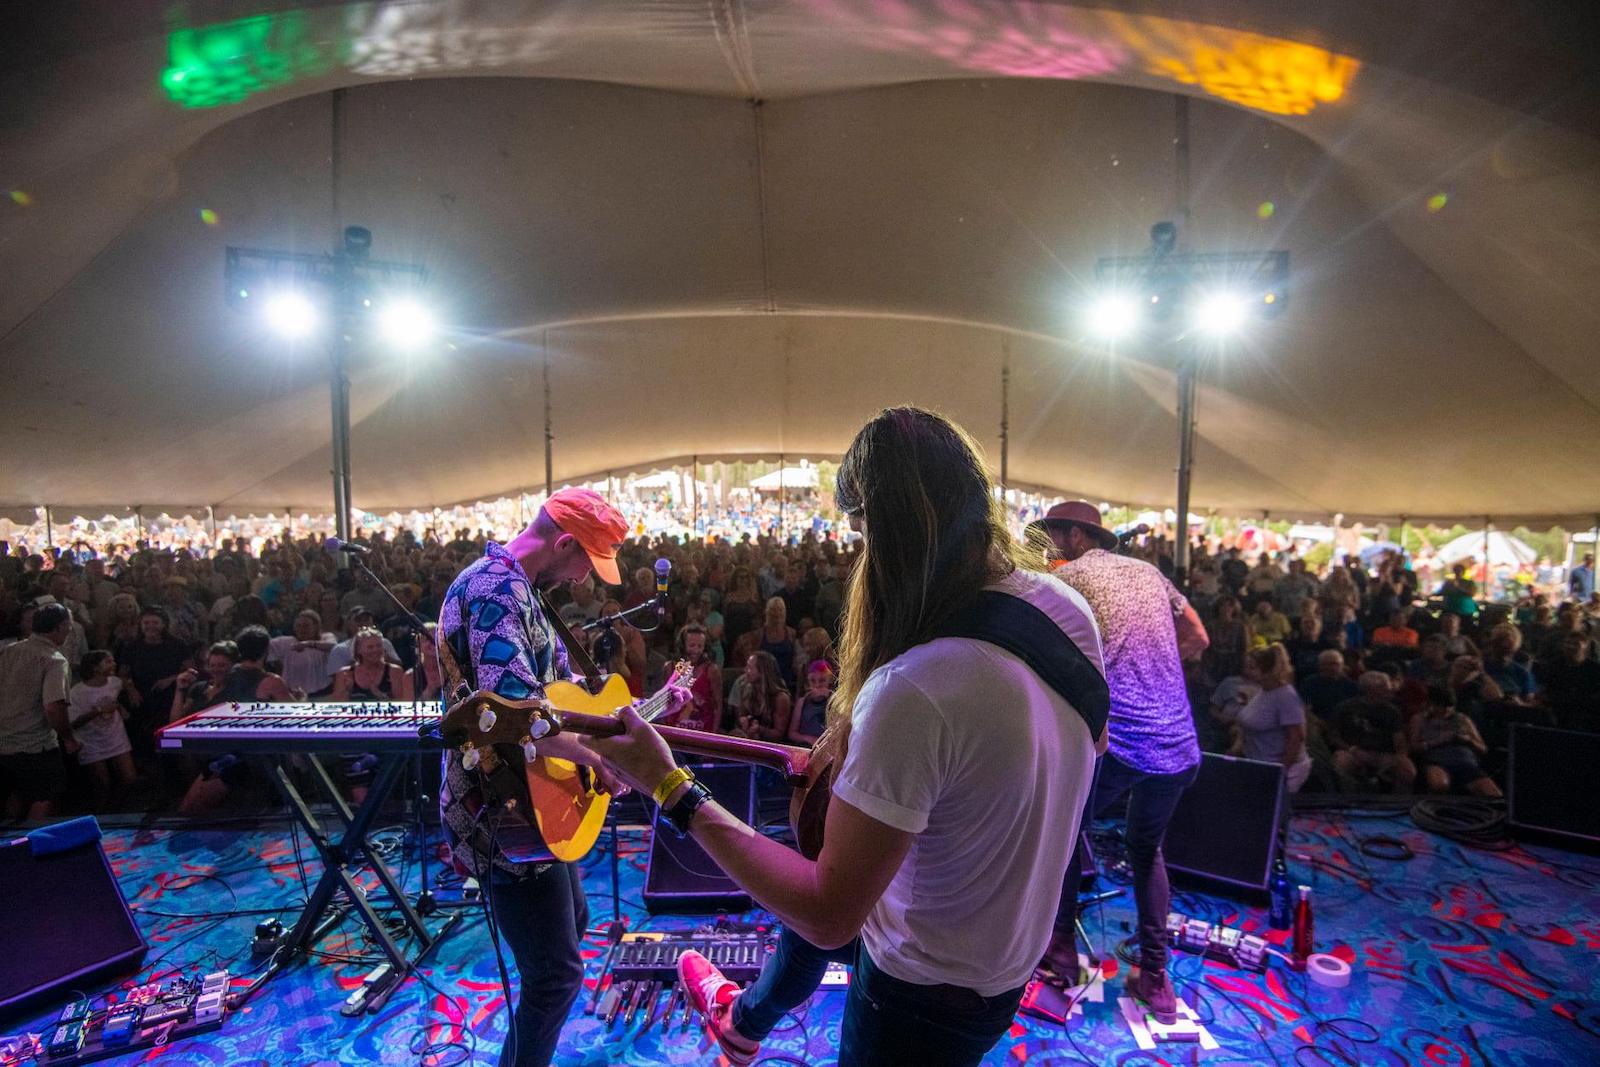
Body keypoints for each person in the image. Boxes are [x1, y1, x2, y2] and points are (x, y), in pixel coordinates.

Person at [587, 408, 1105, 1067]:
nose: (859, 557)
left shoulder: (917, 689)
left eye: (859, 533)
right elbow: (1089, 740)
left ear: (883, 533)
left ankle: (739, 1022)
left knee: (818, 900)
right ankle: (743, 1022)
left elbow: (829, 913)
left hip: (919, 996)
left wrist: (670, 785)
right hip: (1007, 958)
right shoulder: (1065, 609)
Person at [435, 488, 650, 1067]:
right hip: (499, 807)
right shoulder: (493, 590)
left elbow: (560, 699)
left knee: (573, 922)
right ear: (562, 543)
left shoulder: (522, 589)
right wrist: (596, 760)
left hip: (528, 795)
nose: (585, 579)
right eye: (586, 562)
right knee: (555, 978)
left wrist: (626, 721)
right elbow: (518, 715)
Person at [1029, 498, 1206, 1019]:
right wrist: (1159, 670)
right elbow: (1198, 636)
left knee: (1062, 835)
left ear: (1076, 537)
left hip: (1122, 740)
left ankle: (1059, 950)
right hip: (1175, 739)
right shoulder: (1150, 573)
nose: (1046, 549)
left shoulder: (1068, 579)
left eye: (1051, 536)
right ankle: (1155, 977)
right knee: (1146, 849)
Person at [0, 603, 75, 820]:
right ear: (60, 627)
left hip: (3, 741)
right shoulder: (53, 660)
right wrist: (68, 738)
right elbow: (53, 707)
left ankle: (8, 846)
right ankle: (33, 845)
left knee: (15, 794)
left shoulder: (8, 651)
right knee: (45, 795)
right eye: (68, 627)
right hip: (35, 745)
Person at [1230, 645, 1312, 792]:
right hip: (1257, 764)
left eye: (1252, 667)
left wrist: (1279, 772)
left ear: (1268, 669)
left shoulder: (1285, 696)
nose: (1246, 672)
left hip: (1278, 769)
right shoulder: (1262, 692)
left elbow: (1296, 738)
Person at [1332, 672, 1416, 792]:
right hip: (1353, 751)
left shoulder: (1392, 711)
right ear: (1371, 690)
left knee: (1407, 770)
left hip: (1383, 754)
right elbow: (1333, 736)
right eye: (1385, 689)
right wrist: (1351, 749)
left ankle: (1397, 804)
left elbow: (1399, 740)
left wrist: (1400, 758)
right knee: (1342, 763)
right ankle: (1348, 803)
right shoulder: (1345, 708)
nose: (1390, 691)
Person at [69, 650, 136, 798]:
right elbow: (73, 723)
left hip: (115, 737)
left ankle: (120, 806)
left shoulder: (114, 682)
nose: (114, 664)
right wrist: (99, 711)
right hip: (91, 742)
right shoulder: (77, 692)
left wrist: (130, 693)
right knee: (102, 786)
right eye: (108, 661)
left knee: (130, 778)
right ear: (95, 668)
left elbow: (124, 683)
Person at [1410, 685, 1499, 796]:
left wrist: (1468, 740)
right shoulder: (1420, 719)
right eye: (1442, 706)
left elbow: (1483, 748)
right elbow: (1414, 747)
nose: (1447, 710)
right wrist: (1438, 740)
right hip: (1436, 761)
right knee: (1439, 784)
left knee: (1493, 793)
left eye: (1450, 706)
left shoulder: (1463, 719)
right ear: (1432, 704)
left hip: (1465, 763)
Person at [330, 627, 414, 702]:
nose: (375, 650)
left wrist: (379, 695)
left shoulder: (395, 671)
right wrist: (348, 690)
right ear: (359, 650)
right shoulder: (345, 673)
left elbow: (401, 704)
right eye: (370, 647)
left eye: (379, 646)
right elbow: (338, 706)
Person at [269, 609, 337, 696]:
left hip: (322, 692)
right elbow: (265, 644)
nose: (301, 629)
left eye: (306, 626)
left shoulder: (326, 637)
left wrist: (308, 644)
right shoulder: (286, 642)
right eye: (298, 626)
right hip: (293, 694)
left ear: (316, 626)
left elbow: (334, 647)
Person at [668, 623, 721, 732]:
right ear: (683, 645)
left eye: (700, 646)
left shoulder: (712, 671)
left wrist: (714, 736)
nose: (696, 651)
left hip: (703, 732)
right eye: (692, 645)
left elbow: (717, 706)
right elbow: (665, 702)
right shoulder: (670, 668)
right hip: (675, 731)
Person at [729, 650, 792, 741]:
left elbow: (779, 734)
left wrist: (760, 730)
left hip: (771, 747)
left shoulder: (780, 698)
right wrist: (743, 722)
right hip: (749, 740)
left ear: (762, 671)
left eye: (750, 668)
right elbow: (740, 718)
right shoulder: (746, 688)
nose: (745, 670)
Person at [1299, 648, 1358, 723]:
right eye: (1327, 664)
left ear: (1342, 665)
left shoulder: (1351, 685)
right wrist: (1320, 723)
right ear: (1320, 665)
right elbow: (1305, 708)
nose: (1332, 667)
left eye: (1335, 664)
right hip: (1317, 724)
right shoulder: (1309, 683)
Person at [788, 659, 834, 746]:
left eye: (822, 680)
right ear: (807, 682)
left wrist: (831, 700)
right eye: (812, 680)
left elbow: (838, 732)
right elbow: (792, 734)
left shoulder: (835, 702)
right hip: (805, 745)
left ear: (830, 680)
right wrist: (810, 739)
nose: (817, 685)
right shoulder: (802, 702)